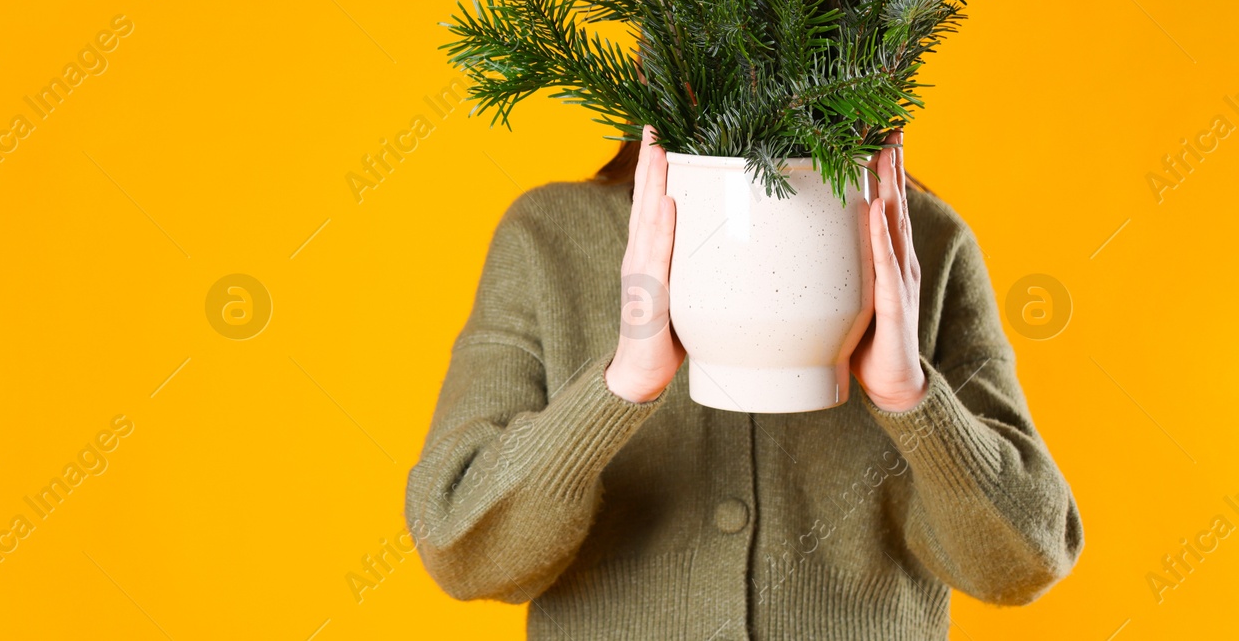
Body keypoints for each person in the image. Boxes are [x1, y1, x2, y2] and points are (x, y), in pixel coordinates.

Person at [405, 127, 1082, 640]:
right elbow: (462, 548)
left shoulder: (922, 242)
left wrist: (914, 399)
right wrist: (617, 387)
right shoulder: (547, 236)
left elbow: (1023, 559)